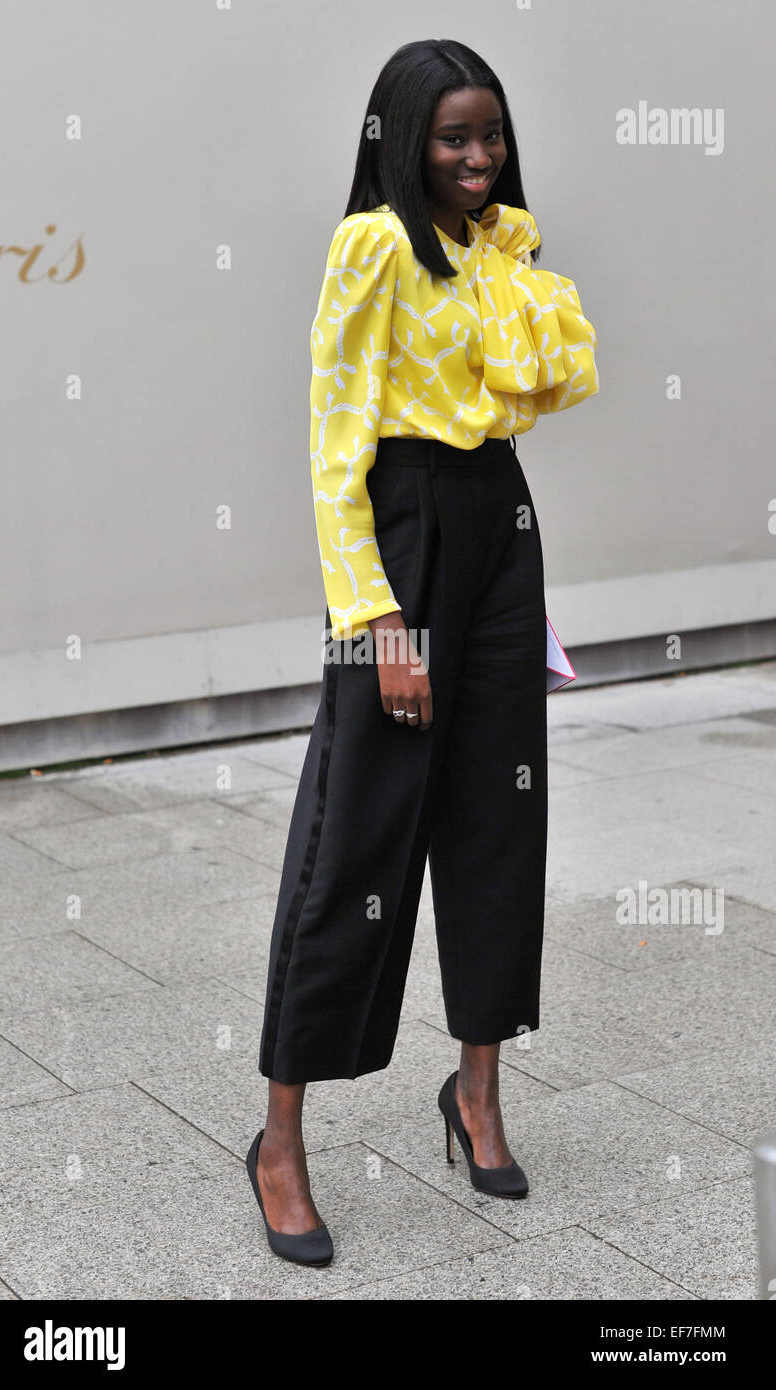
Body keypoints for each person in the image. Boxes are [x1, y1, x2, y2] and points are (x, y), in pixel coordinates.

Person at [245, 38, 599, 1268]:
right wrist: (379, 620)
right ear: (400, 138)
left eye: (490, 136)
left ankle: (477, 1091)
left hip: (498, 527)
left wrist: (504, 249)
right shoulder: (372, 247)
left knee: (502, 818)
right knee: (357, 835)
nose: (476, 158)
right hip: (399, 538)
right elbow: (334, 445)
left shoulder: (497, 248)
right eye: (452, 138)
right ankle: (281, 1135)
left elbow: (530, 396)